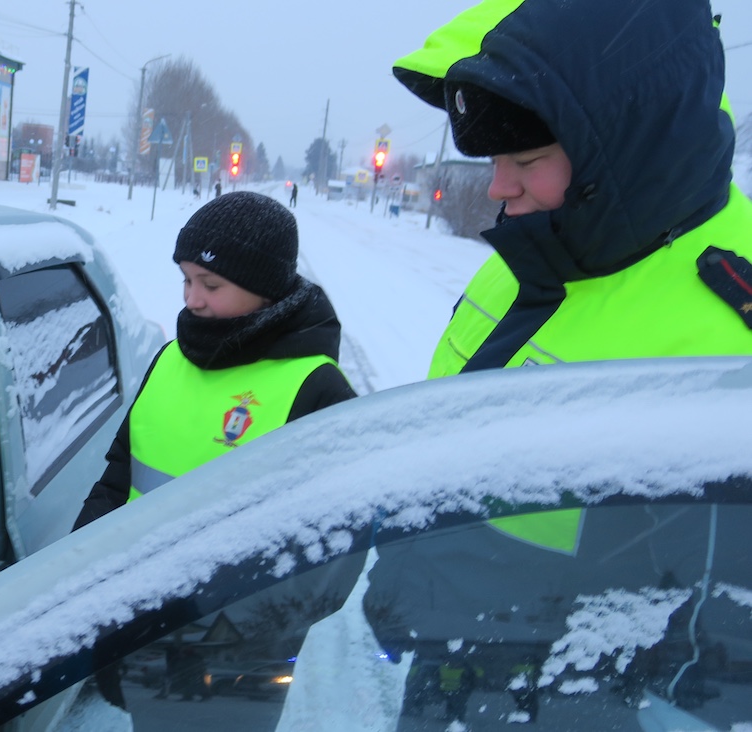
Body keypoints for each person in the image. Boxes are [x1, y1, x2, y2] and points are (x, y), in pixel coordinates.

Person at [363, 0, 752, 716]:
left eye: (526, 161)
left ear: (626, 150)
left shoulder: (728, 333)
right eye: (495, 161)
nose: (499, 187)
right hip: (453, 665)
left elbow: (709, 662)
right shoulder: (542, 246)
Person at [73, 191, 357, 528]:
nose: (192, 299)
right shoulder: (169, 358)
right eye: (187, 279)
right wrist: (77, 555)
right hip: (130, 560)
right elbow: (116, 481)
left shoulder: (317, 389)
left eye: (210, 285)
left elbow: (331, 534)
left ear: (266, 290)